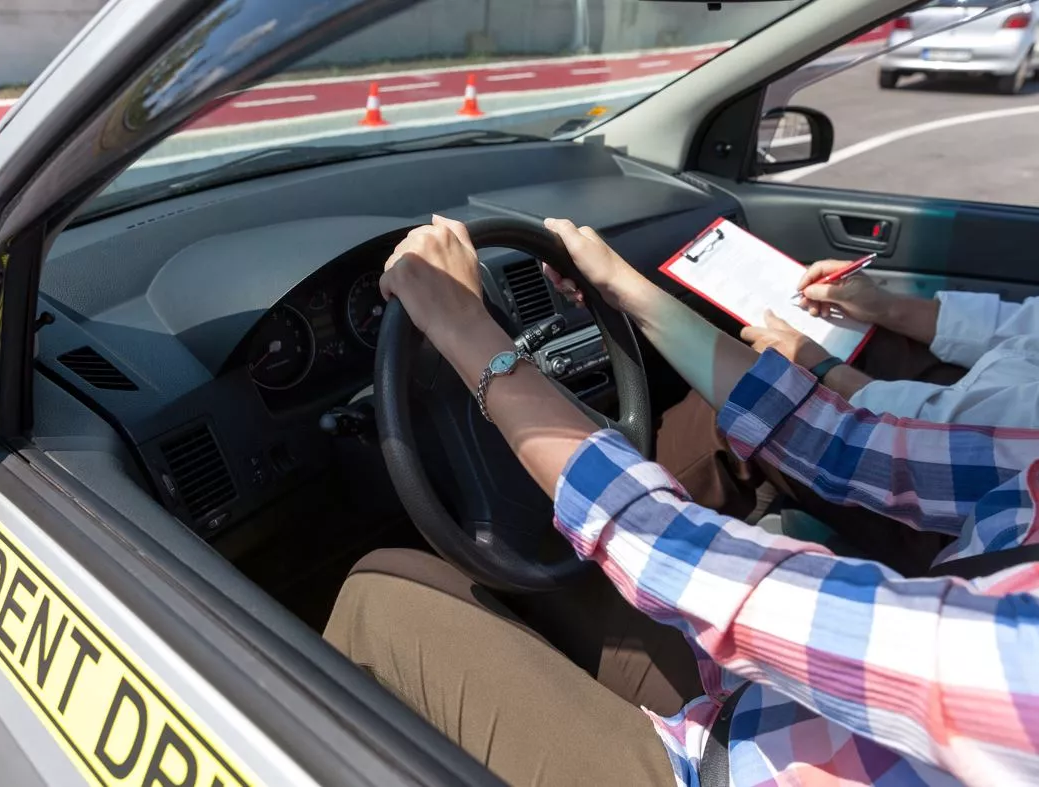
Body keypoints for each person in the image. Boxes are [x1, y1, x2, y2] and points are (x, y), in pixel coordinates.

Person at [324, 215, 1039, 787]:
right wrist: (627, 292)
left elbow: (700, 567)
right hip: (775, 710)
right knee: (523, 575)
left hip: (728, 761)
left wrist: (468, 335)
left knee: (377, 592)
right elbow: (847, 444)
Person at [645, 259, 1039, 574]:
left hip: (977, 515)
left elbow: (953, 443)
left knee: (741, 399)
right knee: (849, 343)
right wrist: (887, 308)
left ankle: (637, 526)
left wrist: (819, 368)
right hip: (987, 404)